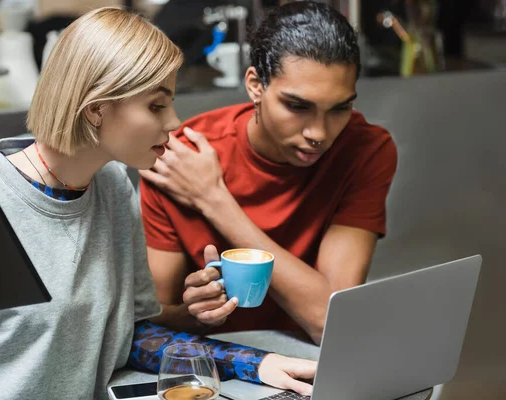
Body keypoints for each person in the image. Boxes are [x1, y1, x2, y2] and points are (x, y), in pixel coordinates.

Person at [0, 7, 316, 399]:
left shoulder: (113, 185)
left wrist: (254, 363)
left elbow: (129, 334)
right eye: (157, 105)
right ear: (97, 110)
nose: (174, 121)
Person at [140, 1, 398, 344]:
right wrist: (197, 315)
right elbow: (151, 319)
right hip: (216, 360)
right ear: (255, 86)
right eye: (297, 106)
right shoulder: (179, 158)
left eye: (340, 108)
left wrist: (214, 200)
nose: (319, 134)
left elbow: (331, 322)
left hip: (309, 362)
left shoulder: (366, 150)